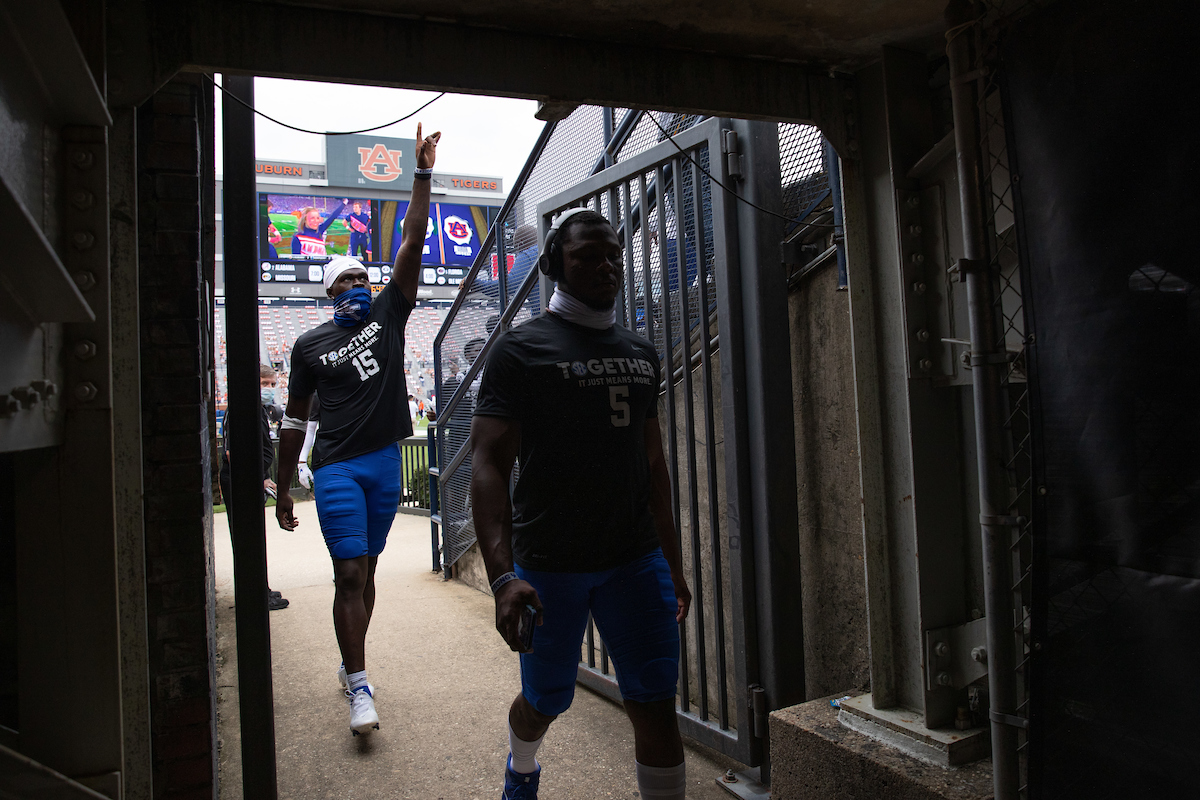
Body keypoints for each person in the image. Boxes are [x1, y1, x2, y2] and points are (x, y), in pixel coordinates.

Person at [471, 208, 692, 799]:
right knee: (545, 700)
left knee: (653, 704)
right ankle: (521, 770)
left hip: (634, 560)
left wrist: (671, 562)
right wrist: (501, 577)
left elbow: (653, 467)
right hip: (550, 566)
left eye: (613, 254)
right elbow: (488, 462)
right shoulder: (519, 351)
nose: (606, 267)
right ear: (551, 265)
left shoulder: (641, 352)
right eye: (587, 256)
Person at [273, 124, 441, 736]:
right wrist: (281, 483)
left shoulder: (392, 312)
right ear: (327, 295)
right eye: (342, 285)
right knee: (348, 573)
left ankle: (351, 663)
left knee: (365, 574)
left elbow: (415, 238)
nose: (355, 291)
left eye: (360, 281)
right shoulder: (311, 343)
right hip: (338, 466)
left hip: (384, 462)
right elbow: (293, 417)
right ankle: (361, 684)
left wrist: (420, 173)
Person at [219, 363, 289, 611]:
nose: (269, 389)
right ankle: (254, 595)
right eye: (263, 383)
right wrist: (256, 477)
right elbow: (233, 452)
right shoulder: (242, 409)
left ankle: (260, 589)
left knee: (252, 539)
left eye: (272, 384)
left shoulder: (255, 409)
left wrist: (263, 476)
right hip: (242, 483)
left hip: (248, 480)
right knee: (248, 540)